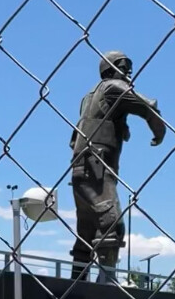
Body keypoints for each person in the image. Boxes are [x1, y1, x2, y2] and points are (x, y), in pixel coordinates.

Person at [68, 50, 166, 281]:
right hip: (98, 165)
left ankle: (76, 286)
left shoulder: (88, 97)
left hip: (81, 166)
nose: (129, 71)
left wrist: (121, 126)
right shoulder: (113, 87)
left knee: (86, 231)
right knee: (112, 224)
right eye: (123, 66)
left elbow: (78, 135)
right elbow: (147, 105)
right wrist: (159, 130)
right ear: (109, 70)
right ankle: (107, 286)